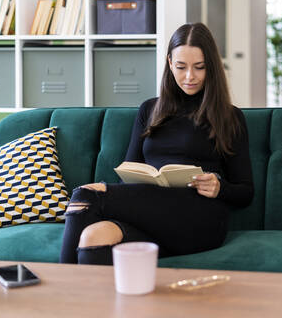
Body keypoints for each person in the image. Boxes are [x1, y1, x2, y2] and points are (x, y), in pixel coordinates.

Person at [60, 23, 254, 265]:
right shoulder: (149, 110)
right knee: (94, 236)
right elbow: (128, 173)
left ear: (211, 68)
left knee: (85, 196)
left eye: (199, 67)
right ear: (170, 63)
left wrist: (219, 187)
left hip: (200, 218)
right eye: (181, 67)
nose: (189, 76)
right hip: (151, 214)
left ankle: (58, 295)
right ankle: (92, 302)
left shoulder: (229, 116)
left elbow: (246, 192)